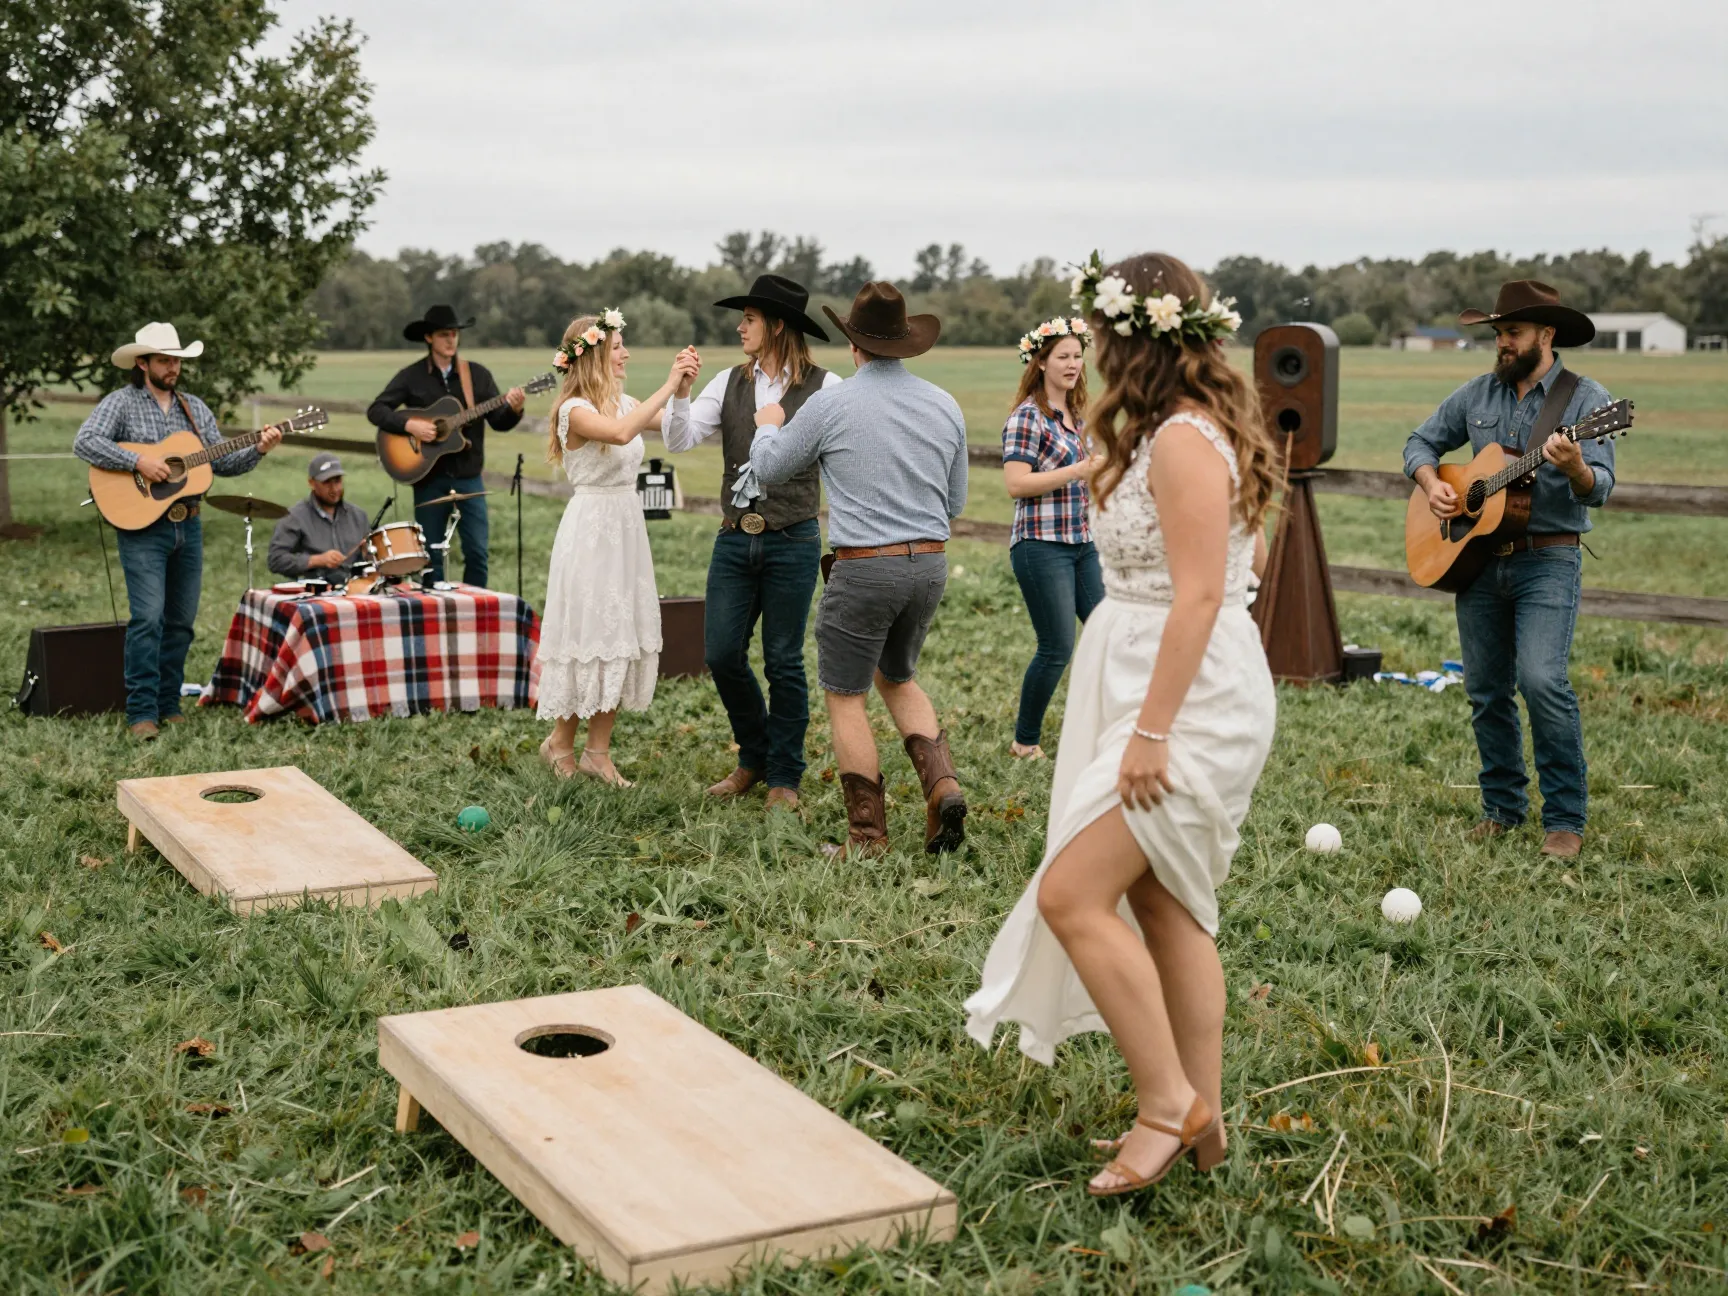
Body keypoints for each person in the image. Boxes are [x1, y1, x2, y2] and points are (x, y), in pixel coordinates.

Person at [965, 252, 1278, 1198]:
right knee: (1165, 903)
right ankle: (1206, 1119)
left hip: (1186, 700)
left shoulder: (1184, 439)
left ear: (1126, 337)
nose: (1088, 352)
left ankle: (1165, 1105)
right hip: (1141, 677)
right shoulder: (1156, 432)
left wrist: (1151, 732)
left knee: (1071, 895)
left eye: (1097, 336)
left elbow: (1203, 597)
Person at [749, 282, 968, 857]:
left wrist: (768, 420)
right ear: (905, 345)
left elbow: (770, 469)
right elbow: (956, 502)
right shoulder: (944, 403)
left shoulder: (832, 402)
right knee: (898, 677)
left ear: (854, 347)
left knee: (846, 695)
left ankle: (867, 838)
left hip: (865, 569)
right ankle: (943, 787)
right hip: (930, 566)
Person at [1403, 281, 1614, 859]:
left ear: (1546, 335)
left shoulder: (1587, 401)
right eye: (1497, 334)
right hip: (1476, 562)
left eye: (1512, 333)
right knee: (1486, 690)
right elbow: (1420, 444)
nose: (1501, 343)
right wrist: (1433, 486)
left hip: (1549, 558)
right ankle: (1501, 809)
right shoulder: (1476, 394)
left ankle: (1565, 820)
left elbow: (1599, 490)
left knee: (1542, 681)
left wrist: (1575, 468)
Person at [662, 274, 841, 810]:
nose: (740, 327)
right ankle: (755, 755)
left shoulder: (827, 389)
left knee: (784, 659)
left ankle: (784, 775)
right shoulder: (728, 381)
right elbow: (680, 439)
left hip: (794, 539)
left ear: (777, 325)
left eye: (750, 319)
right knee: (720, 654)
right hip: (734, 539)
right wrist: (682, 393)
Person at [73, 322, 283, 739]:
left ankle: (168, 703)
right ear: (142, 362)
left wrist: (258, 448)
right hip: (142, 527)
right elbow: (85, 442)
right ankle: (141, 713)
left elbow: (220, 462)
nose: (173, 368)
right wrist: (137, 462)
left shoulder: (194, 408)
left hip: (189, 525)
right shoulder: (122, 403)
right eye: (165, 360)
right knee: (148, 618)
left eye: (177, 361)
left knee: (181, 622)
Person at [536, 310, 700, 786]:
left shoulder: (623, 400)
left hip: (627, 528)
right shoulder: (575, 411)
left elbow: (672, 428)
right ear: (592, 357)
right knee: (588, 635)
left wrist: (684, 387)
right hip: (590, 530)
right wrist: (667, 383)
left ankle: (597, 752)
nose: (626, 353)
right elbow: (622, 433)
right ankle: (561, 746)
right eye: (617, 347)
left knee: (620, 633)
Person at [1003, 315, 1105, 759]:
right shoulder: (1028, 417)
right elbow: (1016, 484)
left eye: (1078, 356)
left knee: (1109, 634)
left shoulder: (1078, 416)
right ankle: (1025, 742)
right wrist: (1078, 471)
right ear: (1041, 361)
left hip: (1083, 542)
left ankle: (1110, 731)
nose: (1072, 364)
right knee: (1057, 647)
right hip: (1041, 545)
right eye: (1063, 356)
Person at [366, 304, 525, 587]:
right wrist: (410, 425)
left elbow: (499, 422)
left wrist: (514, 409)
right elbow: (376, 410)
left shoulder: (476, 375)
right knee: (431, 558)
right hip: (428, 479)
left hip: (469, 478)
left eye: (454, 334)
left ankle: (475, 612)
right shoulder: (411, 376)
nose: (451, 340)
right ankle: (434, 616)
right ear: (429, 338)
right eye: (443, 334)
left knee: (477, 552)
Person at [267, 452, 371, 581]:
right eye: (327, 482)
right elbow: (276, 560)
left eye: (337, 481)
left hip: (355, 591)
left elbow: (371, 561)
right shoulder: (294, 517)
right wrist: (317, 560)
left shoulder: (359, 516)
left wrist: (370, 554)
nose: (334, 489)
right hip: (313, 593)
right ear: (311, 483)